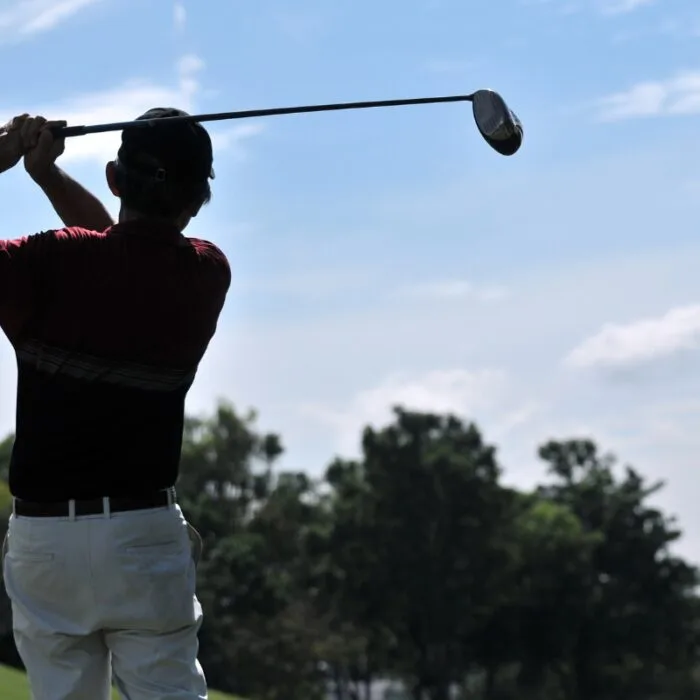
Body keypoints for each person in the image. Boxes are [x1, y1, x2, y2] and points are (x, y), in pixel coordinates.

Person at [0, 108, 231, 699]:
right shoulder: (206, 274)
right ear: (198, 199)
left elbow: (106, 252)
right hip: (144, 536)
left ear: (113, 177)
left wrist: (12, 165)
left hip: (46, 543)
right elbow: (118, 254)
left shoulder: (45, 262)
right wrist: (46, 178)